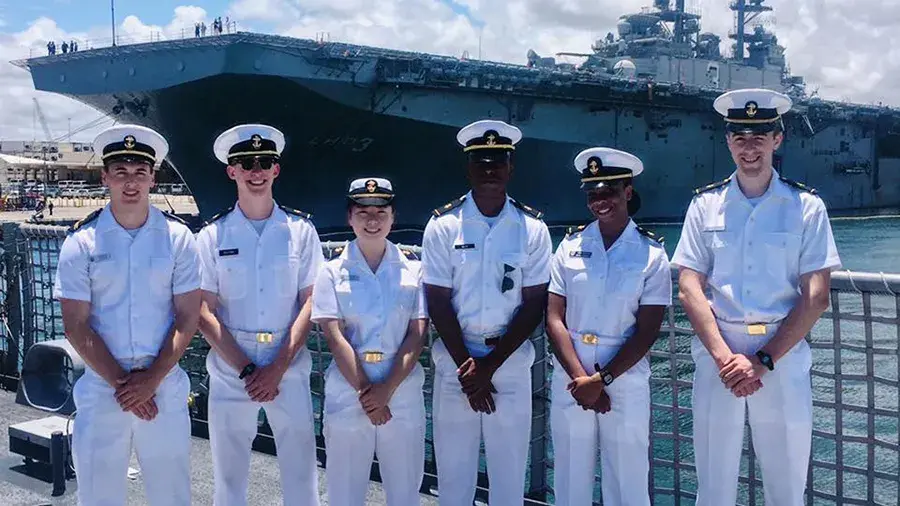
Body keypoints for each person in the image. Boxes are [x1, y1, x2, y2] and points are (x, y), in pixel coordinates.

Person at [671, 88, 842, 505]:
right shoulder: (705, 205)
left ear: (777, 139)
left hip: (781, 357)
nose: (750, 148)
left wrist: (763, 360)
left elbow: (817, 296)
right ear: (728, 142)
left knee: (786, 489)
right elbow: (688, 286)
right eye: (740, 138)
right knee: (712, 487)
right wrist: (724, 358)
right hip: (719, 356)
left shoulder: (806, 207)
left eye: (760, 137)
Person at [53, 124, 201, 505]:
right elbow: (75, 325)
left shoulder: (179, 239)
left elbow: (188, 316)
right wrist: (126, 386)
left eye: (140, 172)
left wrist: (150, 381)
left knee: (172, 497)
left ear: (153, 178)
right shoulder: (81, 242)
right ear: (105, 177)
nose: (130, 181)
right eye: (120, 172)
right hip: (104, 388)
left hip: (163, 387)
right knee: (98, 497)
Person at [421, 119, 552, 506]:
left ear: (511, 168)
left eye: (498, 162)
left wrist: (489, 367)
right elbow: (437, 300)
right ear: (469, 168)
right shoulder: (443, 226)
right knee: (453, 478)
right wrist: (470, 368)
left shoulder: (533, 229)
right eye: (481, 162)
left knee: (509, 480)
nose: (490, 170)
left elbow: (534, 303)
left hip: (508, 364)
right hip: (455, 365)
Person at [197, 124, 323, 506]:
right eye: (247, 164)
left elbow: (311, 302)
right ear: (231, 171)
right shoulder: (212, 235)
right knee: (228, 482)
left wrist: (277, 367)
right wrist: (249, 370)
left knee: (302, 478)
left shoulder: (301, 231)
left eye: (264, 163)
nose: (256, 171)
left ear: (276, 170)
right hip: (231, 369)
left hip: (289, 366)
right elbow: (203, 310)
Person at [547, 147, 671, 505]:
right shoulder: (569, 246)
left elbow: (647, 331)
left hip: (624, 379)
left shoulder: (651, 254)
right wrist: (581, 380)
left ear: (627, 192)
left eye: (609, 191)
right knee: (570, 478)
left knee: (628, 481)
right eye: (592, 194)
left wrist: (601, 381)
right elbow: (554, 317)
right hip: (572, 377)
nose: (600, 201)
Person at [311, 177, 429, 506]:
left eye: (381, 212)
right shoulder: (330, 272)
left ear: (393, 217)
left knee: (405, 493)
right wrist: (369, 393)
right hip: (349, 391)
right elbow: (334, 336)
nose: (372, 220)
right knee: (344, 494)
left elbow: (417, 334)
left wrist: (386, 391)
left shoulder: (414, 271)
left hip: (401, 391)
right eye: (363, 212)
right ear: (349, 217)